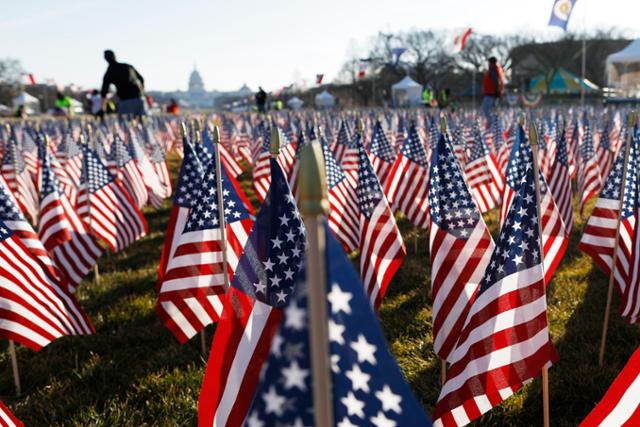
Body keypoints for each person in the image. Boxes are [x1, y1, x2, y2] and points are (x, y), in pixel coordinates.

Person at [100, 50, 147, 117]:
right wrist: (142, 92)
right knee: (142, 124)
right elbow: (141, 79)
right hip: (139, 98)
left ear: (105, 59)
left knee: (127, 124)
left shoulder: (109, 72)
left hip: (125, 101)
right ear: (115, 56)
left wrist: (103, 108)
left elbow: (104, 92)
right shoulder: (128, 66)